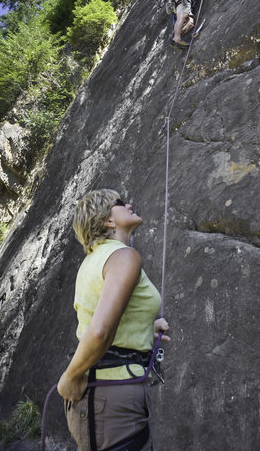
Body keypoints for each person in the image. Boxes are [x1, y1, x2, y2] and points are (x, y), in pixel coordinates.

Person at [57, 189, 170, 451]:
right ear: (108, 220)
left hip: (103, 395)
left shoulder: (93, 261)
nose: (130, 204)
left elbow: (100, 318)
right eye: (120, 203)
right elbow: (98, 332)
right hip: (111, 395)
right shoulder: (124, 256)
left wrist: (144, 328)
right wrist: (70, 376)